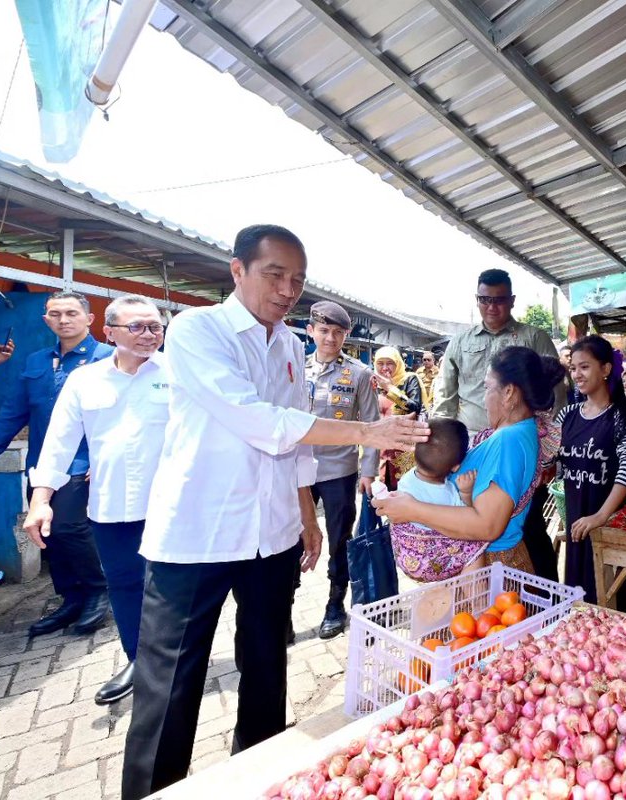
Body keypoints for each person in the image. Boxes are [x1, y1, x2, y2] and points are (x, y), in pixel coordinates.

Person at [121, 225, 429, 799]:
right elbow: (262, 422)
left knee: (267, 665)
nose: (288, 290)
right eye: (275, 275)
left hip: (271, 535)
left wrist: (307, 517)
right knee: (169, 688)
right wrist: (370, 430)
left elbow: (297, 446)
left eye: (298, 280)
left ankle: (261, 778)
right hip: (198, 536)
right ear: (237, 271)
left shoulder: (290, 346)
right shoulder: (197, 331)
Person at [24, 295, 168, 705]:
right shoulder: (85, 381)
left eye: (155, 327)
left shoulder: (178, 374)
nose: (148, 335)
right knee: (124, 587)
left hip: (171, 507)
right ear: (110, 332)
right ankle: (138, 660)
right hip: (112, 506)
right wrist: (41, 498)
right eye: (136, 327)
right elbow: (59, 442)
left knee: (169, 590)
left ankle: (168, 663)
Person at [377, 347, 565, 573]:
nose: (483, 398)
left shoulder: (510, 440)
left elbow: (488, 525)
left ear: (509, 393)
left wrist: (412, 509)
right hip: (486, 564)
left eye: (487, 387)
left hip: (490, 568)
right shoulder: (514, 433)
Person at [0, 292, 110, 637]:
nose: (63, 320)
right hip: (43, 463)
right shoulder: (37, 362)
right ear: (46, 320)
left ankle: (97, 592)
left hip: (83, 462)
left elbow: (127, 417)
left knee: (70, 526)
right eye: (55, 314)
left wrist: (107, 456)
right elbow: (13, 413)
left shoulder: (109, 359)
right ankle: (71, 599)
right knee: (48, 532)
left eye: (72, 313)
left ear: (89, 319)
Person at [432, 269, 564, 580]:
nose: (492, 307)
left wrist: (549, 452)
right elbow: (445, 398)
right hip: (472, 450)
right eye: (485, 300)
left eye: (500, 300)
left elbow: (554, 394)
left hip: (518, 446)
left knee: (527, 529)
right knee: (471, 530)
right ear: (477, 300)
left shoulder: (534, 337)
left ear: (512, 300)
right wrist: (441, 449)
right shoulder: (459, 342)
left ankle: (548, 599)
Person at [303, 300, 380, 639]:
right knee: (289, 540)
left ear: (345, 335)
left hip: (338, 471)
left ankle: (335, 605)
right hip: (297, 470)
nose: (330, 338)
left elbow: (372, 424)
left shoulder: (359, 374)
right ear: (311, 332)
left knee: (338, 542)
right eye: (323, 330)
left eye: (337, 332)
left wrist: (368, 471)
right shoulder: (295, 369)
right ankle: (283, 605)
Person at [554, 337, 626, 603]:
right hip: (576, 523)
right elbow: (550, 460)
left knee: (606, 600)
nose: (577, 375)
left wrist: (601, 516)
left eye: (584, 367)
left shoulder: (622, 418)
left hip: (607, 527)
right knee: (577, 600)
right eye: (573, 368)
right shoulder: (567, 416)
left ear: (605, 369)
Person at [389, 417, 489, 581]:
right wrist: (465, 492)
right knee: (477, 543)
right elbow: (466, 520)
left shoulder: (406, 480)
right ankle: (473, 598)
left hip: (406, 557)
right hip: (434, 563)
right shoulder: (449, 493)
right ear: (456, 466)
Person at [373, 346, 423, 417]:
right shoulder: (372, 380)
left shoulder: (409, 379)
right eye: (380, 363)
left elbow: (415, 409)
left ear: (397, 364)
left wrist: (390, 388)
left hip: (403, 426)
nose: (384, 368)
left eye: (389, 363)